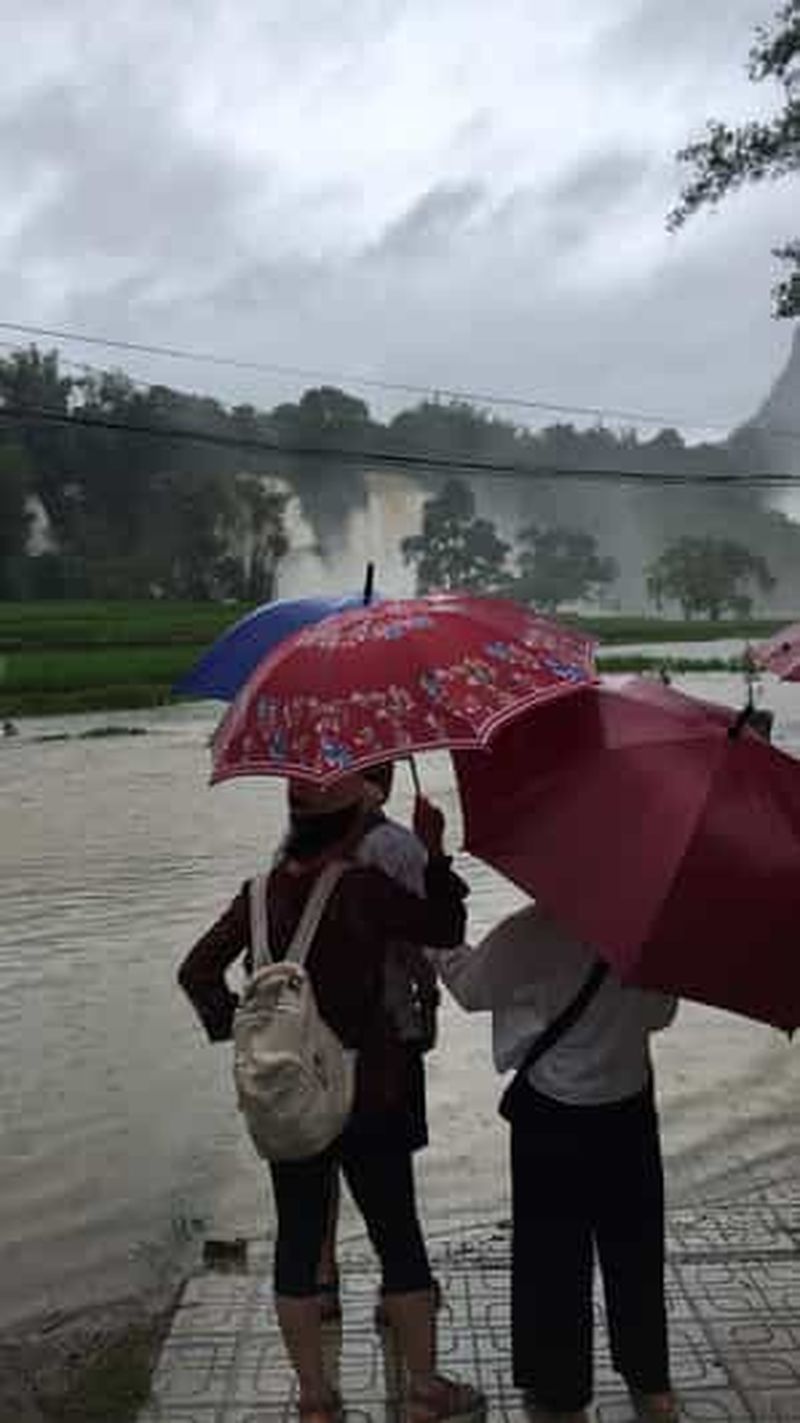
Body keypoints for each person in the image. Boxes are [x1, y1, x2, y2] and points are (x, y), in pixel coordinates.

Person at [178, 774, 485, 1423]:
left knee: (296, 1241)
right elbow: (444, 925)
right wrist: (434, 853)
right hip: (370, 1091)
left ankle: (316, 1400)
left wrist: (244, 1028)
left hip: (290, 1098)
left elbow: (196, 971)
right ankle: (425, 1390)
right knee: (397, 1237)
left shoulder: (257, 894)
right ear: (349, 825)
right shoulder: (360, 889)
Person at [437, 901, 678, 1423]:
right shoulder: (652, 932)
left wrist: (437, 940)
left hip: (552, 1116)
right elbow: (661, 1015)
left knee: (552, 1259)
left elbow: (471, 989)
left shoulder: (532, 930)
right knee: (635, 1251)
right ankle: (651, 1385)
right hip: (629, 1108)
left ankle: (560, 1393)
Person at [315, 761, 442, 1324]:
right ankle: (402, 1282)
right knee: (388, 1164)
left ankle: (323, 1281)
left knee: (321, 1151)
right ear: (388, 780)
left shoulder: (301, 846)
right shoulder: (398, 847)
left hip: (315, 1034)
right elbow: (419, 936)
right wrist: (428, 994)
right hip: (386, 1031)